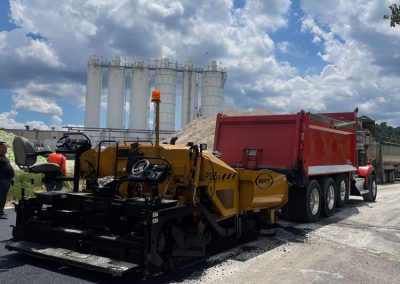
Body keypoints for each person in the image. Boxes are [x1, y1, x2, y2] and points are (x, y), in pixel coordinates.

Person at [0, 140, 14, 219]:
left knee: (3, 196)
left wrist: (11, 178)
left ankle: (1, 211)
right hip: (2, 180)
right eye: (5, 147)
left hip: (6, 180)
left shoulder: (3, 157)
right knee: (1, 196)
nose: (6, 149)